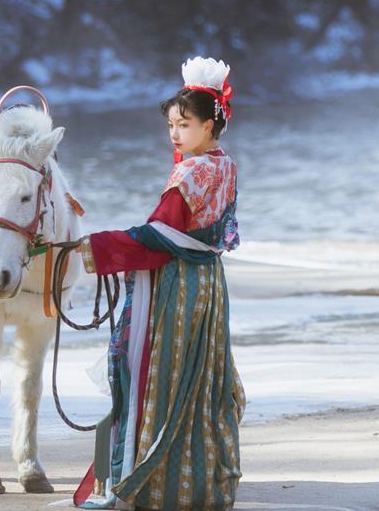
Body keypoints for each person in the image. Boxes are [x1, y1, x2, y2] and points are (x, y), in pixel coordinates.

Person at [72, 56, 244, 510]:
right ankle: (199, 479)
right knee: (201, 378)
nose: (175, 134)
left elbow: (158, 238)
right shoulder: (226, 166)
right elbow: (207, 234)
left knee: (164, 376)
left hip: (180, 286)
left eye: (184, 125)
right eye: (171, 125)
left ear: (209, 125)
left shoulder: (189, 172)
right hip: (210, 284)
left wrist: (92, 247)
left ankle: (155, 482)